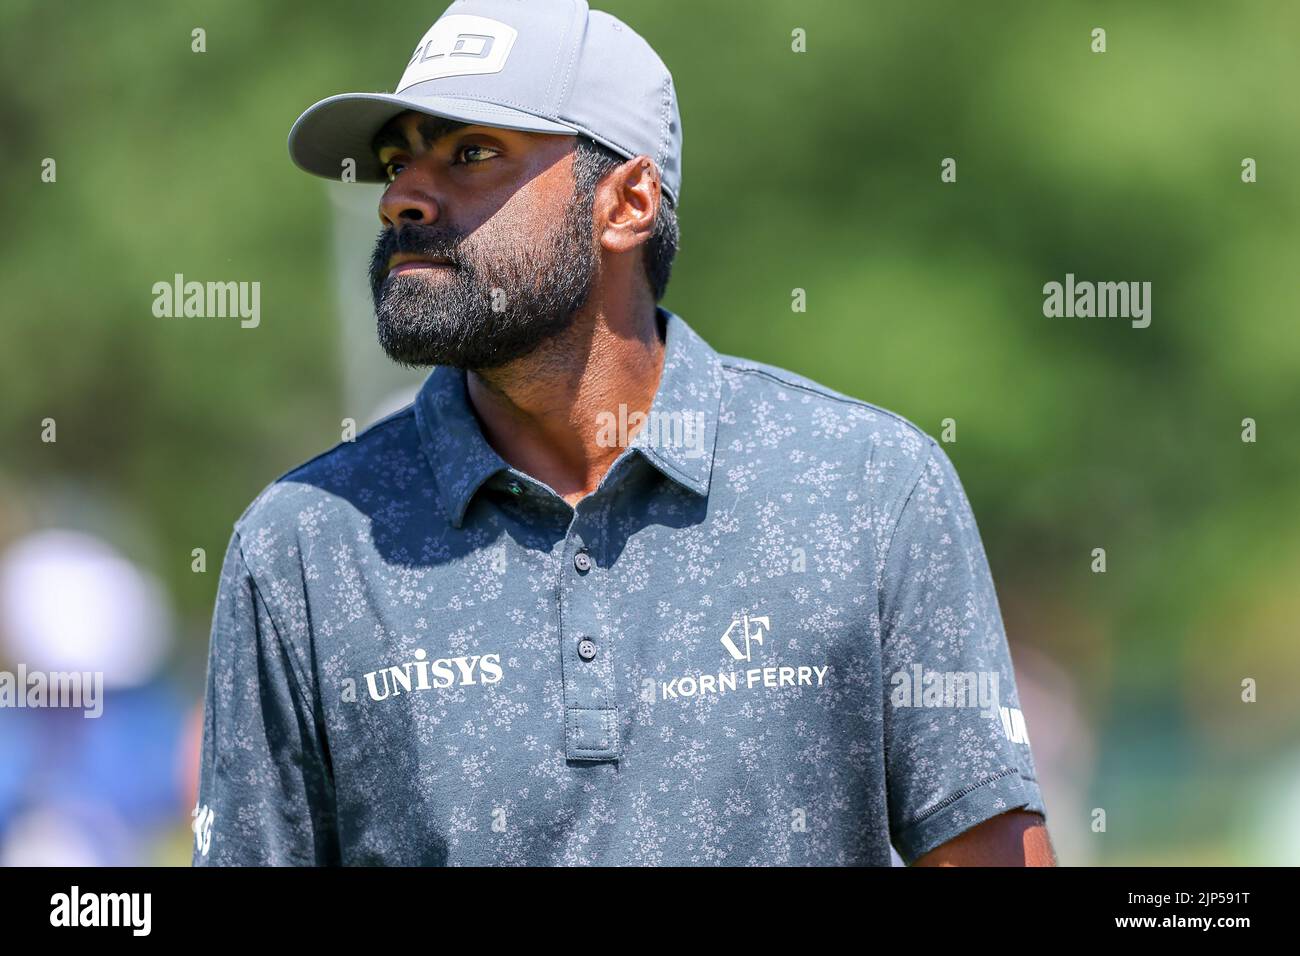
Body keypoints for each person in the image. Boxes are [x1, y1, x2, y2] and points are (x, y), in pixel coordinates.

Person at [193, 0, 1054, 866]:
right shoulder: (302, 545)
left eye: (471, 154)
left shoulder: (868, 488)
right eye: (396, 162)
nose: (401, 199)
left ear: (628, 203)